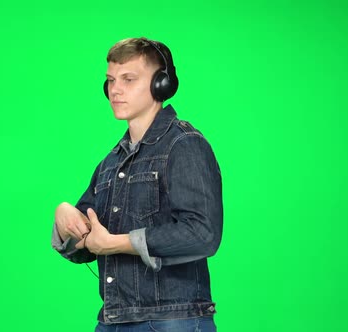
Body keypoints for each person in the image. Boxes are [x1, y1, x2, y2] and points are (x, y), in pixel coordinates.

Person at [51, 37, 223, 332]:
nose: (115, 90)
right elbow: (86, 247)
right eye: (110, 81)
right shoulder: (110, 163)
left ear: (161, 85)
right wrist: (65, 217)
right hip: (114, 320)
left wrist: (117, 243)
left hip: (172, 321)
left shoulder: (184, 145)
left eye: (128, 79)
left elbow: (203, 233)